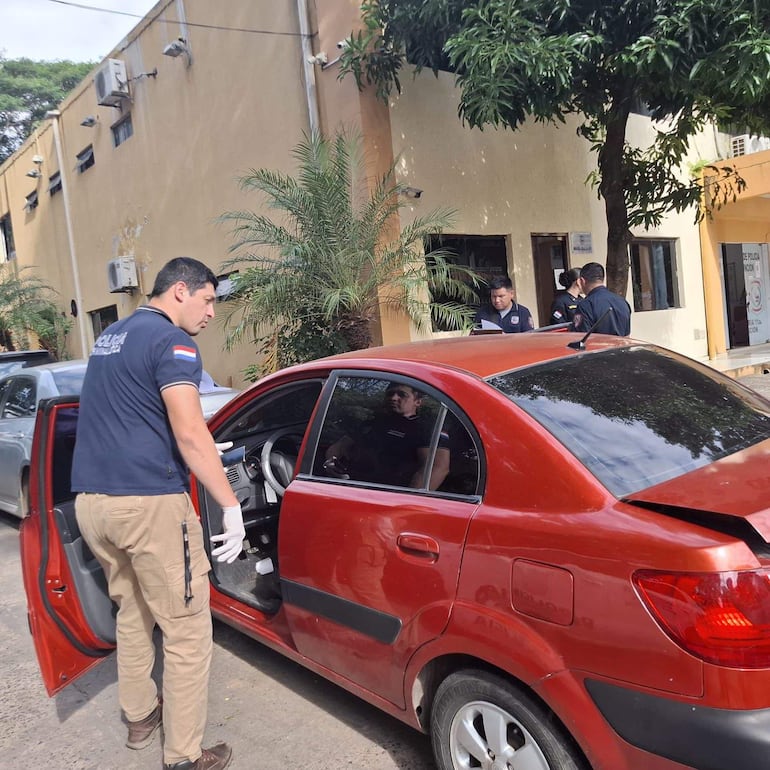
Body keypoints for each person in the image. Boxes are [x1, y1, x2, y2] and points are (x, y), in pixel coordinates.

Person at [71, 257, 244, 770]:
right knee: (188, 631)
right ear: (180, 291)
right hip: (148, 506)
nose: (211, 313)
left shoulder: (111, 337)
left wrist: (201, 447)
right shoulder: (174, 342)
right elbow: (189, 432)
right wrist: (230, 505)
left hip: (93, 504)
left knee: (133, 612)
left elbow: (135, 414)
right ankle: (185, 756)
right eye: (208, 300)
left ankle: (140, 716)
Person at [324, 383, 450, 490]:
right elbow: (339, 446)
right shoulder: (372, 423)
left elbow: (437, 467)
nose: (394, 398)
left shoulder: (427, 429)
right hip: (352, 488)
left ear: (418, 402)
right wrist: (331, 463)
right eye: (390, 394)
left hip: (391, 495)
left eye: (402, 394)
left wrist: (409, 500)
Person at [570, 261, 631, 336]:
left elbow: (580, 337)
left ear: (582, 281)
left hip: (597, 344)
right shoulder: (622, 302)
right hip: (620, 344)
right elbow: (627, 337)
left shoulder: (585, 305)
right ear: (602, 279)